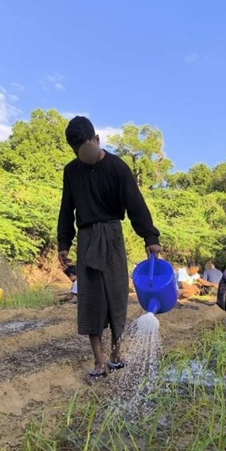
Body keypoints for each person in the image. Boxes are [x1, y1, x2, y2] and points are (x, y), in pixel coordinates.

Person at [57, 116, 161, 380]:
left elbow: (136, 204)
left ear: (97, 140)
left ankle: (116, 352)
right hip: (88, 237)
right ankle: (99, 360)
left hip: (112, 235)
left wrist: (150, 236)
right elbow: (66, 208)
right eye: (79, 152)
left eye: (88, 147)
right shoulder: (71, 171)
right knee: (90, 300)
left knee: (116, 297)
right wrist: (64, 242)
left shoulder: (117, 167)